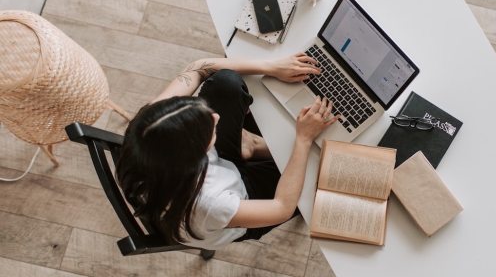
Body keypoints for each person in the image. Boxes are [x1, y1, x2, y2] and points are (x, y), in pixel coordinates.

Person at [116, 53, 338, 250]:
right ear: (196, 155)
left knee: (225, 82)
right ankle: (254, 148)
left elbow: (198, 67)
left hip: (206, 175)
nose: (216, 117)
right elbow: (282, 208)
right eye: (208, 128)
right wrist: (303, 139)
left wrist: (271, 66)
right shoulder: (211, 204)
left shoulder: (150, 125)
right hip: (241, 201)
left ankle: (249, 147)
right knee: (323, 173)